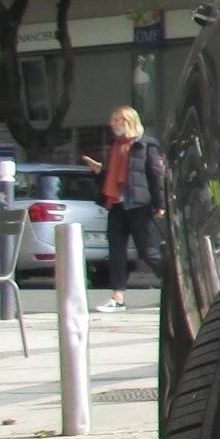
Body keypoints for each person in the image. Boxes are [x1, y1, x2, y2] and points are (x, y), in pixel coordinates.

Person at [86, 106, 166, 311]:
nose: (112, 125)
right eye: (112, 120)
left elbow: (155, 176)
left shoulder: (146, 145)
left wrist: (160, 205)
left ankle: (173, 282)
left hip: (139, 205)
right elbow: (112, 178)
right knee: (116, 253)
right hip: (117, 205)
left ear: (128, 122)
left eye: (117, 120)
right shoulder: (114, 147)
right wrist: (99, 172)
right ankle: (117, 298)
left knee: (148, 252)